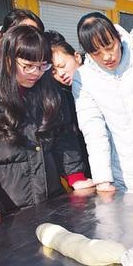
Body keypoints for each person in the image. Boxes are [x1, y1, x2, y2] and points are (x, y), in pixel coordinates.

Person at [0, 26, 92, 225]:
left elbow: (65, 137)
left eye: (42, 66)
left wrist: (75, 177)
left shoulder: (50, 94)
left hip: (51, 199)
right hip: (9, 209)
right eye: (28, 65)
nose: (36, 73)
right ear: (7, 59)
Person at [73, 12, 133, 193]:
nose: (106, 57)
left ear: (118, 37)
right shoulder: (84, 78)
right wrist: (103, 179)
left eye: (109, 47)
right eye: (96, 53)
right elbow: (93, 131)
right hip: (120, 178)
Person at [44, 30, 90, 178]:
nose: (61, 74)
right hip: (84, 164)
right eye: (54, 72)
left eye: (62, 65)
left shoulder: (100, 81)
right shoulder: (60, 96)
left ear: (77, 57)